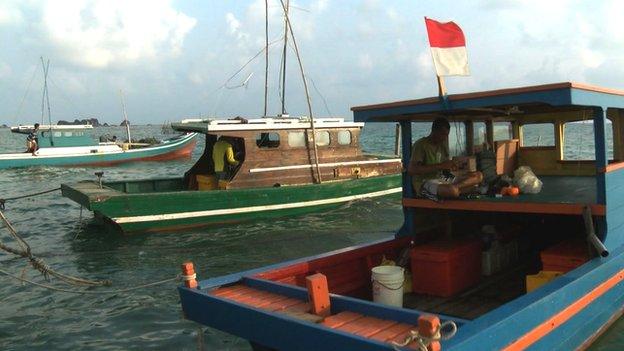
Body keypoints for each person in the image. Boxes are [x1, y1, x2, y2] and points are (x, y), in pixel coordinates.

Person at [407, 117, 483, 198]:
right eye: (443, 134)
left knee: (478, 175)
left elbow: (446, 167)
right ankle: (458, 190)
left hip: (442, 179)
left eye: (447, 135)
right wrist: (441, 166)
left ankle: (457, 189)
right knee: (453, 190)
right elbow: (412, 170)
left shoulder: (442, 146)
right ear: (434, 131)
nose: (445, 138)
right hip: (424, 182)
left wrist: (455, 165)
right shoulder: (421, 145)